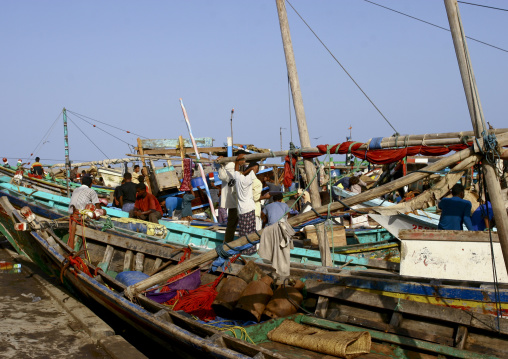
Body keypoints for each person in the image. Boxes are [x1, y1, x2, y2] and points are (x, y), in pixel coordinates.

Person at [68, 175, 102, 248]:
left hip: (71, 214)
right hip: (80, 216)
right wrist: (101, 213)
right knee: (101, 212)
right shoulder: (91, 191)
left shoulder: (75, 190)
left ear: (81, 182)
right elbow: (98, 206)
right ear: (91, 184)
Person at [232, 154, 257, 252]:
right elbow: (255, 168)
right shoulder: (248, 179)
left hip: (241, 210)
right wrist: (249, 168)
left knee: (243, 231)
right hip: (249, 208)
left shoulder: (238, 179)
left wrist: (237, 161)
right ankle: (250, 250)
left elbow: (236, 170)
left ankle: (242, 250)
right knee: (251, 232)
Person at [245, 162, 270, 230]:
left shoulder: (242, 180)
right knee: (255, 233)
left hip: (244, 211)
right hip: (254, 211)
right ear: (257, 170)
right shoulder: (257, 182)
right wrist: (265, 197)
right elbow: (255, 198)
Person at [218, 157, 238, 241]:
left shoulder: (224, 170)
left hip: (233, 203)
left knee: (231, 225)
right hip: (237, 203)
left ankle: (228, 242)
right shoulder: (231, 170)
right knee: (234, 225)